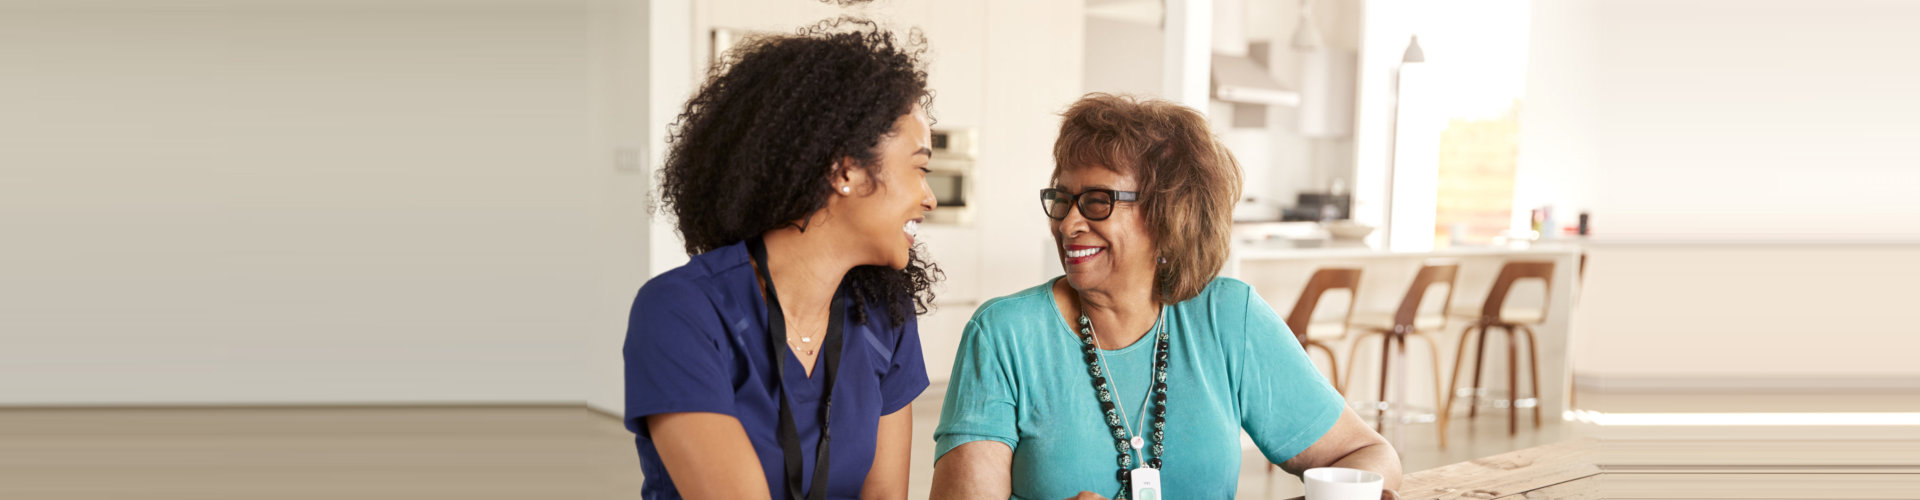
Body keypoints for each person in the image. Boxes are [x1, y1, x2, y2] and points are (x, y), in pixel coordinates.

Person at [929, 94, 1403, 500]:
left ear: (1168, 214)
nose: (1068, 224)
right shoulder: (1004, 335)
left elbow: (1366, 454)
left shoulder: (1227, 318)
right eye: (1062, 199)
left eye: (1097, 201)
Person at [624, 19, 941, 500]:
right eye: (919, 168)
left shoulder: (885, 315)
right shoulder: (679, 312)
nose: (929, 198)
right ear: (846, 172)